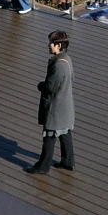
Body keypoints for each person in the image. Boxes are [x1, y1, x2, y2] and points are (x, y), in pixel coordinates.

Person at [26, 31, 75, 175]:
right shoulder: (67, 59)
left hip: (56, 107)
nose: (48, 45)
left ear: (58, 45)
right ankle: (68, 162)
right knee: (65, 134)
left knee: (49, 137)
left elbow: (50, 87)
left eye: (51, 43)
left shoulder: (58, 65)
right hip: (66, 105)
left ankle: (43, 166)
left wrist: (40, 85)